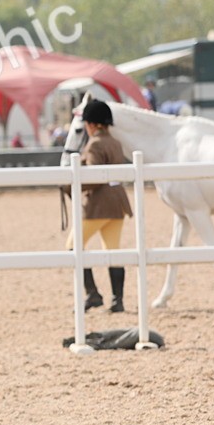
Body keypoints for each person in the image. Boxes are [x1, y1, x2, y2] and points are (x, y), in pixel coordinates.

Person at [67, 100, 133, 312]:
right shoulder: (115, 143)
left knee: (73, 246)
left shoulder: (95, 144)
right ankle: (117, 300)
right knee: (113, 250)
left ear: (93, 125)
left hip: (99, 205)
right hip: (118, 204)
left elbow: (95, 176)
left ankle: (93, 293)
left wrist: (70, 187)